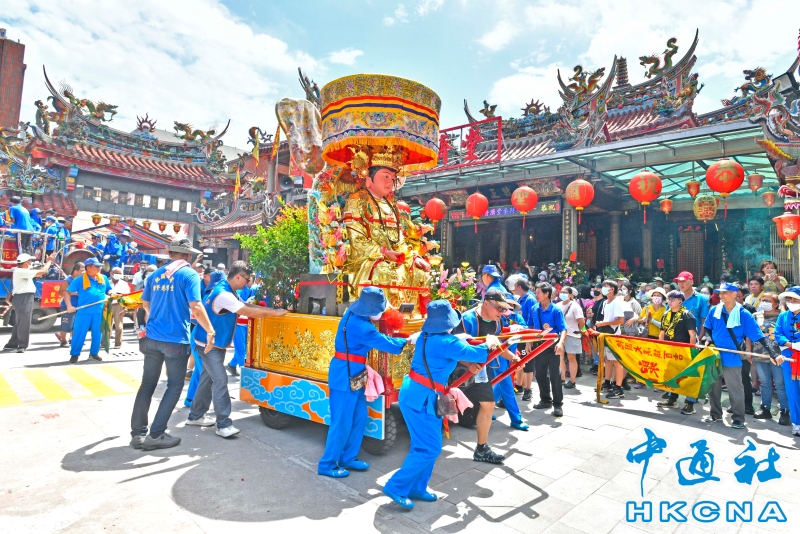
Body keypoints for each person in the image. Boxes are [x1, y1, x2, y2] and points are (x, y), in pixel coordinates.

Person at [382, 300, 499, 510]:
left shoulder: (425, 335)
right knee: (430, 448)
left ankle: (418, 487)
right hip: (422, 398)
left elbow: (454, 348)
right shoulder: (447, 342)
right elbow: (478, 354)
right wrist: (490, 341)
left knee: (423, 445)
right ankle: (396, 486)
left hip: (417, 393)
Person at [130, 237, 215, 451]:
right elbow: (196, 306)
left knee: (147, 384)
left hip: (152, 337)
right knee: (175, 385)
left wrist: (159, 318)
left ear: (169, 254)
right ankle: (156, 435)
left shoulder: (155, 275)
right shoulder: (189, 274)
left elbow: (145, 303)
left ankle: (138, 434)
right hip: (175, 339)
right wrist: (210, 330)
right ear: (188, 255)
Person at [188, 262, 287, 439]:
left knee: (207, 379)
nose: (248, 283)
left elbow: (248, 307)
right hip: (208, 344)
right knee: (220, 379)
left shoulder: (227, 289)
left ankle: (195, 416)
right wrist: (274, 313)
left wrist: (271, 310)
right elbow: (248, 311)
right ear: (238, 277)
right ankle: (223, 424)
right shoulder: (224, 294)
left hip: (214, 342)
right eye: (247, 280)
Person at [318, 287, 407, 477]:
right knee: (341, 422)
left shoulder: (353, 313)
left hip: (355, 374)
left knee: (359, 417)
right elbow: (386, 344)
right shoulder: (363, 327)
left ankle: (348, 457)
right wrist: (408, 341)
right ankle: (327, 464)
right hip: (345, 375)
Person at [452, 289, 520, 462]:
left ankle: (481, 449)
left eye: (504, 309)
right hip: (457, 370)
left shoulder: (497, 323)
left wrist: (513, 358)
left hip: (481, 370)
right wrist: (468, 363)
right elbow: (450, 347)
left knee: (489, 404)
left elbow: (498, 346)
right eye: (499, 308)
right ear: (486, 303)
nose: (502, 312)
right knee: (443, 406)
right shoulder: (465, 320)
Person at [702, 282, 777, 429]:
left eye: (725, 292)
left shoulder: (744, 314)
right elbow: (708, 328)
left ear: (734, 294)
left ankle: (738, 418)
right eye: (720, 293)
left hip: (733, 355)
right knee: (714, 387)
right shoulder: (714, 310)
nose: (721, 295)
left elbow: (758, 336)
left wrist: (772, 353)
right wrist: (708, 340)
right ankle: (715, 414)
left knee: (735, 388)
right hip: (715, 354)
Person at [524, 282, 567, 414]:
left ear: (547, 293)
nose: (536, 295)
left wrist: (561, 343)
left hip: (553, 346)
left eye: (538, 293)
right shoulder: (534, 308)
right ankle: (545, 399)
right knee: (540, 374)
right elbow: (530, 326)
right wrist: (528, 342)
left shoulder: (556, 310)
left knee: (555, 375)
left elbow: (563, 329)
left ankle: (558, 404)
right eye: (535, 292)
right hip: (539, 346)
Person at [61, 257, 113, 363]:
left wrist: (111, 293)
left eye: (99, 266)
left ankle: (94, 354)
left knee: (98, 334)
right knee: (79, 334)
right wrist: (69, 306)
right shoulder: (79, 280)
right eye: (96, 266)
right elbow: (66, 292)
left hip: (99, 311)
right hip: (84, 312)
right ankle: (74, 354)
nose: (99, 268)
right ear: (88, 267)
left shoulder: (103, 278)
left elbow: (108, 289)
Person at [656, 290, 698, 413]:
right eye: (669, 299)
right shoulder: (666, 314)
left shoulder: (687, 315)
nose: (670, 301)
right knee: (671, 375)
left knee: (688, 377)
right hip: (670, 350)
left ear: (680, 301)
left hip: (684, 351)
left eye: (673, 299)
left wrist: (691, 350)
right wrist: (661, 348)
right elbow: (662, 333)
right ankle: (672, 400)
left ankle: (690, 403)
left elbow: (692, 334)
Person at [4, 253, 56, 352]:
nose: (31, 263)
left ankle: (12, 344)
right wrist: (49, 261)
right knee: (24, 322)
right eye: (30, 261)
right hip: (24, 297)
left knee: (20, 322)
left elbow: (39, 270)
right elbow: (42, 272)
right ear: (26, 263)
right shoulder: (21, 271)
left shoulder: (20, 270)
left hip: (22, 298)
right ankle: (22, 345)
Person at [752, 292, 791, 425]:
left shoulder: (783, 317)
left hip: (778, 356)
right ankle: (765, 408)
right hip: (760, 354)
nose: (764, 302)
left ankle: (785, 411)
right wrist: (749, 352)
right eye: (762, 300)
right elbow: (750, 334)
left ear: (776, 304)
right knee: (764, 383)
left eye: (767, 301)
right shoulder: (756, 316)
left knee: (780, 384)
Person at [773, 287, 800, 437]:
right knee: (792, 393)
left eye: (795, 300)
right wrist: (792, 345)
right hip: (788, 360)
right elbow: (778, 333)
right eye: (789, 300)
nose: (791, 302)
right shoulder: (782, 316)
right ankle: (797, 423)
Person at [596, 280, 629, 399]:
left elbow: (621, 320)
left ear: (612, 289)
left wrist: (603, 323)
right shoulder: (605, 302)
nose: (603, 288)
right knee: (608, 360)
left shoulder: (617, 302)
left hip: (614, 336)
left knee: (616, 362)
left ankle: (619, 388)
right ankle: (607, 383)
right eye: (603, 286)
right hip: (605, 334)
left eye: (606, 286)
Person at [228, 275, 258, 376]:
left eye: (250, 280)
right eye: (247, 280)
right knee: (241, 348)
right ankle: (244, 371)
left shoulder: (254, 290)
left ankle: (232, 364)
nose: (248, 281)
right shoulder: (239, 290)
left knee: (245, 347)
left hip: (248, 322)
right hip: (238, 323)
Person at [557, 286, 584, 389]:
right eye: (561, 292)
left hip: (572, 335)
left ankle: (572, 381)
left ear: (570, 295)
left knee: (571, 358)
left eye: (565, 292)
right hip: (560, 335)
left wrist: (577, 330)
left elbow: (581, 322)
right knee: (560, 357)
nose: (562, 294)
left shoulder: (575, 306)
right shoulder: (557, 305)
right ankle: (562, 378)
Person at [55, 262, 85, 348]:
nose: (84, 273)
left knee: (76, 324)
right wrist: (72, 293)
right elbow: (61, 292)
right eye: (82, 271)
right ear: (75, 271)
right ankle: (63, 341)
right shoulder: (67, 280)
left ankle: (73, 339)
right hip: (68, 305)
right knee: (66, 324)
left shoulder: (82, 280)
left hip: (79, 306)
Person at [109, 266, 131, 349]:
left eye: (120, 273)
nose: (118, 275)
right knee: (106, 326)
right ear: (111, 274)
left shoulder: (124, 284)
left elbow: (127, 297)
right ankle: (104, 343)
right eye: (116, 273)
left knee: (118, 326)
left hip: (119, 305)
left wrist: (125, 309)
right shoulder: (107, 283)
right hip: (108, 305)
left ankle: (118, 343)